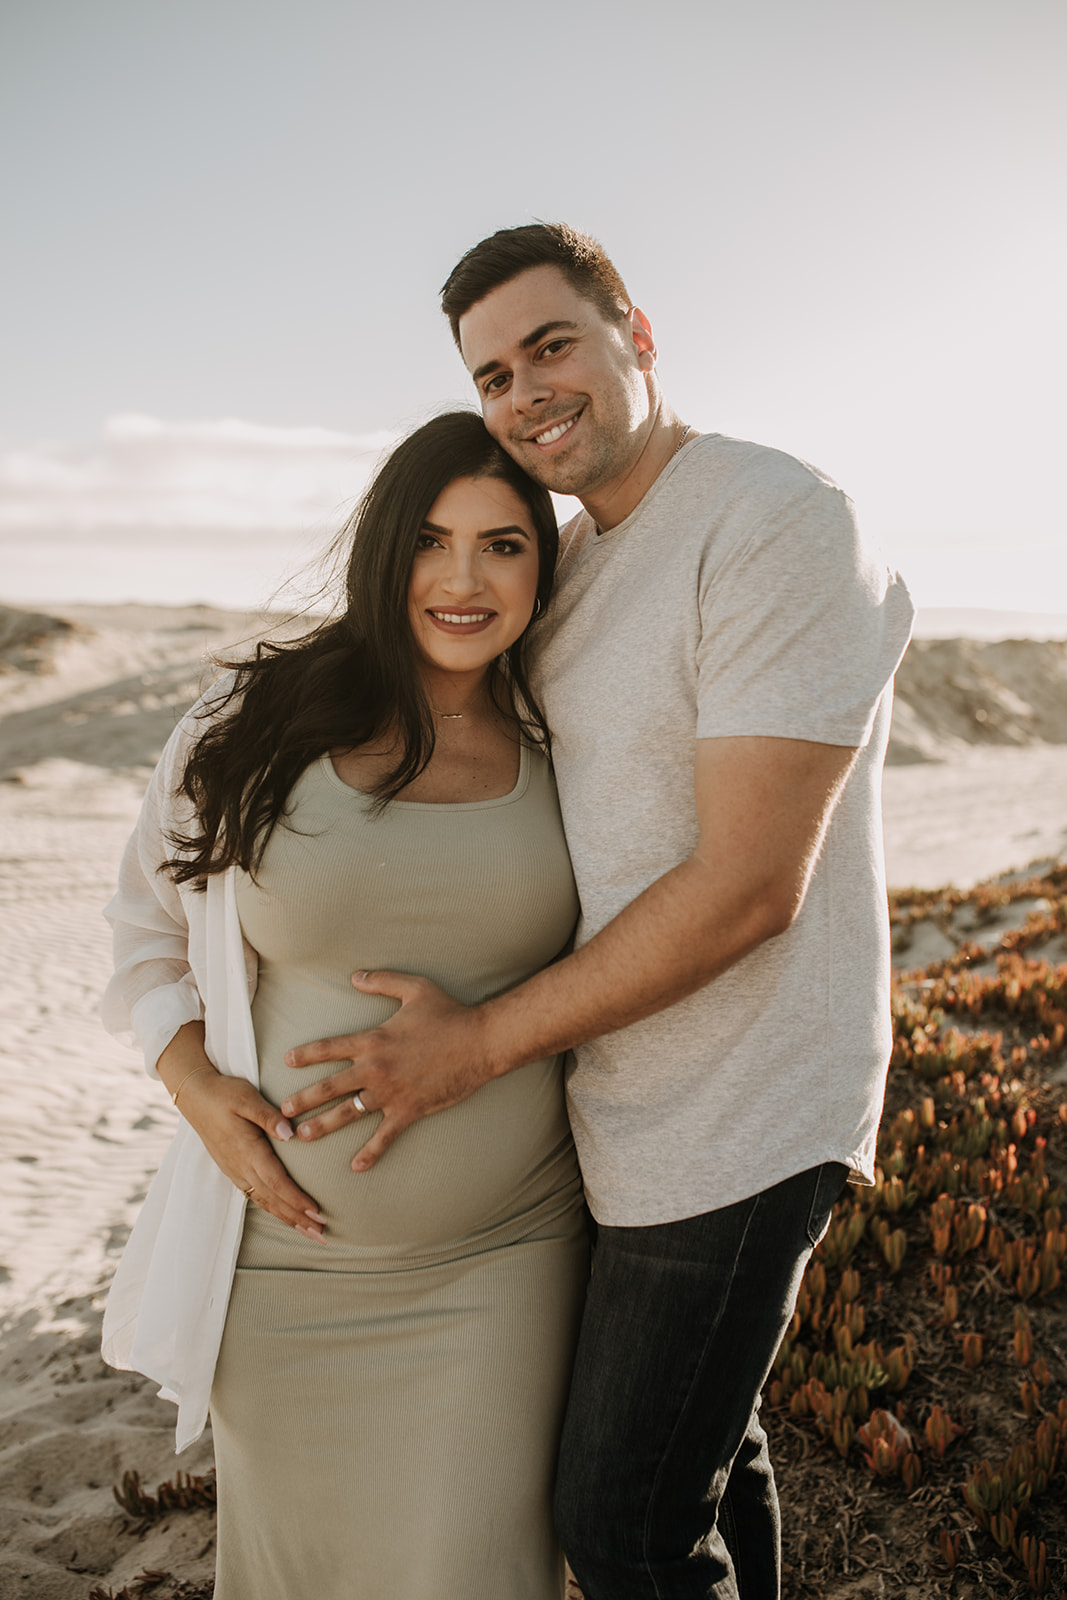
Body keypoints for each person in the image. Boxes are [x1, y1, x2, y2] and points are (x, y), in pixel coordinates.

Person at [278, 224, 916, 1599]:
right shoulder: (566, 560)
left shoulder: (771, 515)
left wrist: (477, 1044)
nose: (524, 393)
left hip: (741, 1113)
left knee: (619, 1526)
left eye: (550, 344)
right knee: (707, 1459)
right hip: (615, 1110)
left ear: (636, 333)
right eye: (492, 373)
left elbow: (748, 886)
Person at [100, 411, 589, 1600]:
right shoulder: (248, 722)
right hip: (279, 1272)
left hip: (501, 1261)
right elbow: (142, 933)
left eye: (502, 545)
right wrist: (199, 1089)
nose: (463, 581)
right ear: (383, 552)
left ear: (543, 563)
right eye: (430, 541)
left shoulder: (570, 732)